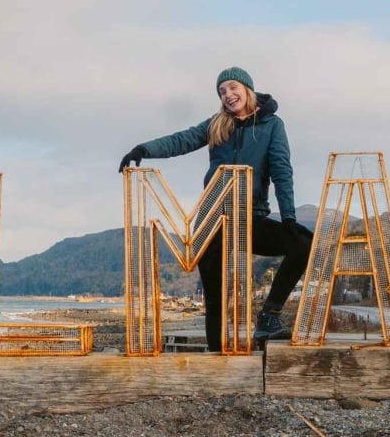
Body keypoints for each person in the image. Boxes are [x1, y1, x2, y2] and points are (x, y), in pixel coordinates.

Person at [119, 66, 311, 350]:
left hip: (250, 218)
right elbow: (180, 140)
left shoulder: (271, 125)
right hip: (213, 218)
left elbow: (282, 171)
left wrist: (289, 217)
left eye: (232, 87)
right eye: (222, 91)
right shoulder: (216, 124)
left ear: (247, 88)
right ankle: (216, 356)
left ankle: (269, 316)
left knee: (305, 244)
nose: (228, 95)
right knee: (215, 296)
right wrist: (143, 149)